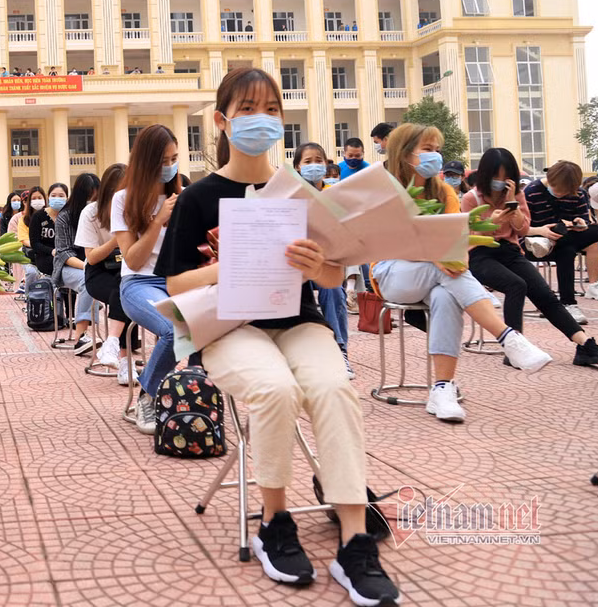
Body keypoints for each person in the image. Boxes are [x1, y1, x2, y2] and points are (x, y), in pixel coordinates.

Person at [157, 66, 400, 606]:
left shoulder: (300, 192)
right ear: (221, 121)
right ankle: (273, 523)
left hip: (297, 319)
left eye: (270, 109)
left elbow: (335, 276)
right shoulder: (198, 198)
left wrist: (319, 266)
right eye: (246, 110)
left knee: (334, 387)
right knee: (275, 390)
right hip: (229, 325)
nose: (260, 120)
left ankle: (356, 541)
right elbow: (175, 281)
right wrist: (229, 263)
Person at [372, 123, 551, 423]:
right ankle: (508, 336)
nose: (436, 157)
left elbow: (453, 240)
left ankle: (442, 390)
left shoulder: (443, 191)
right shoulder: (381, 188)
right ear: (404, 153)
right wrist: (433, 254)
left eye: (437, 150)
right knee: (444, 271)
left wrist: (445, 253)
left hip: (440, 273)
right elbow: (382, 242)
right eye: (428, 150)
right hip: (392, 273)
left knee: (446, 295)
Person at [463, 149, 598, 366]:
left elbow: (522, 229)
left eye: (506, 177)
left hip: (509, 251)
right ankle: (514, 349)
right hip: (480, 253)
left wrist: (512, 204)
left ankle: (584, 345)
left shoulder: (516, 195)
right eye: (496, 177)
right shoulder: (471, 198)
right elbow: (469, 238)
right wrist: (491, 222)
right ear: (485, 174)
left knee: (545, 295)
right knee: (516, 285)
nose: (500, 182)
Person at [113, 124, 181, 435]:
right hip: (137, 284)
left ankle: (196, 396)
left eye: (174, 159)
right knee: (174, 329)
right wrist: (156, 222)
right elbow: (132, 258)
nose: (169, 167)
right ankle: (148, 395)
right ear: (145, 162)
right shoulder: (123, 201)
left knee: (209, 326)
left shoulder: (182, 196)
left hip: (177, 282)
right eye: (163, 161)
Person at [293, 144, 353, 377]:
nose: (314, 165)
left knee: (334, 290)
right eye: (307, 162)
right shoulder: (291, 195)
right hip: (296, 267)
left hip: (326, 264)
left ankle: (340, 351)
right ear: (297, 166)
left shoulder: (334, 195)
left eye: (318, 160)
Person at [75, 163, 136, 382]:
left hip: (126, 268)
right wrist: (116, 239)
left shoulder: (135, 209)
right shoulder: (91, 213)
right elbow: (90, 257)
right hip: (98, 272)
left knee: (128, 288)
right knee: (125, 292)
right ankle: (124, 361)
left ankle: (114, 346)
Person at [523, 160, 598, 313]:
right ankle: (569, 305)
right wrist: (540, 231)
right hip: (536, 240)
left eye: (565, 192)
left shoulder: (579, 193)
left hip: (565, 237)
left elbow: (583, 218)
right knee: (567, 250)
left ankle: (568, 305)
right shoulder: (531, 191)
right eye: (557, 190)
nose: (560, 194)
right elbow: (519, 227)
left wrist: (580, 222)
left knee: (596, 231)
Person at [53, 172, 101, 355]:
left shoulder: (98, 215)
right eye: (91, 197)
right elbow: (63, 252)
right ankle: (81, 337)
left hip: (93, 264)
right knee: (87, 281)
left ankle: (119, 340)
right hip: (67, 267)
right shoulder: (65, 217)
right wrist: (87, 266)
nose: (93, 201)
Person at [21, 185, 51, 291]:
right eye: (34, 198)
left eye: (39, 198)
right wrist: (38, 244)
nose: (37, 201)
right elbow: (24, 239)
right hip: (30, 256)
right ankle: (30, 298)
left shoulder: (51, 217)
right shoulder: (24, 220)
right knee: (31, 273)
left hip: (47, 254)